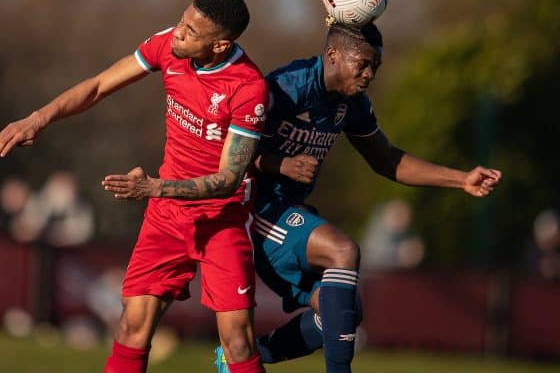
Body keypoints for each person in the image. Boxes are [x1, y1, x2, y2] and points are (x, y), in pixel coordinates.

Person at [0, 0, 268, 373]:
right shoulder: (168, 46)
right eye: (182, 20)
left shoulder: (248, 87)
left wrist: (153, 188)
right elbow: (98, 86)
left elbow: (227, 180)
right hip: (166, 216)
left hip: (221, 218)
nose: (179, 33)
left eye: (192, 31)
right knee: (131, 327)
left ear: (220, 45)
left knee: (238, 342)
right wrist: (37, 119)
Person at [215, 22, 502, 373]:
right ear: (333, 54)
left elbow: (387, 159)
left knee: (344, 312)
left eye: (375, 67)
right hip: (255, 208)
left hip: (289, 211)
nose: (368, 74)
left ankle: (242, 359)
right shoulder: (288, 87)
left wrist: (461, 179)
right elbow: (231, 147)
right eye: (362, 64)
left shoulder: (352, 104)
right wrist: (281, 164)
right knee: (343, 250)